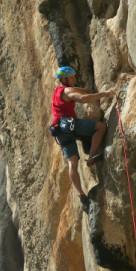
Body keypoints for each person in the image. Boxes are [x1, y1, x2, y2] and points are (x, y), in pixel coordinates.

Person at [50, 66, 114, 211]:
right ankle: (91, 157)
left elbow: (75, 90)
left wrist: (86, 90)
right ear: (64, 79)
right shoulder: (67, 91)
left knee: (72, 162)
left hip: (59, 131)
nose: (74, 79)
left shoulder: (58, 90)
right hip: (70, 125)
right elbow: (82, 99)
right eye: (71, 78)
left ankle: (81, 195)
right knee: (101, 127)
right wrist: (103, 94)